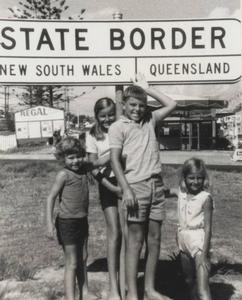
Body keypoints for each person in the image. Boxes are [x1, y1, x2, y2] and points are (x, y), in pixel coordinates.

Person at [109, 73, 177, 300]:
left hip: (156, 186)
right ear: (124, 105)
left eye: (141, 105)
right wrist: (126, 189)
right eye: (133, 105)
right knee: (135, 242)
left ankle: (149, 288)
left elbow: (172, 104)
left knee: (155, 239)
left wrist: (147, 88)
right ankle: (132, 293)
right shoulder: (118, 127)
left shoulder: (150, 120)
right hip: (135, 187)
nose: (137, 109)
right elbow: (115, 160)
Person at [46, 136, 102, 300]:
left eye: (78, 156)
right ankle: (70, 297)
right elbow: (50, 198)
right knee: (72, 262)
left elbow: (100, 162)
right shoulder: (64, 175)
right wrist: (49, 224)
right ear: (62, 158)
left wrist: (119, 154)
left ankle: (84, 292)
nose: (75, 160)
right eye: (71, 157)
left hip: (82, 221)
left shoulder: (84, 169)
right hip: (67, 223)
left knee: (83, 258)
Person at [86, 97, 123, 300]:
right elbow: (93, 166)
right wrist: (111, 156)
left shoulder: (123, 127)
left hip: (128, 182)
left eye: (111, 114)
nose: (107, 119)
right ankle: (113, 288)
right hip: (108, 186)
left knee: (130, 234)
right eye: (103, 116)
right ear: (96, 117)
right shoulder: (93, 135)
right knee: (114, 233)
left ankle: (128, 281)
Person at [167, 157, 214, 300]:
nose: (195, 182)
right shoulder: (180, 193)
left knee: (202, 289)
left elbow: (208, 228)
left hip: (199, 243)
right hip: (183, 242)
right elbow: (164, 191)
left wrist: (204, 255)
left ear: (204, 178)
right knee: (189, 281)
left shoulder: (205, 198)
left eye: (199, 178)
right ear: (185, 177)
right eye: (191, 178)